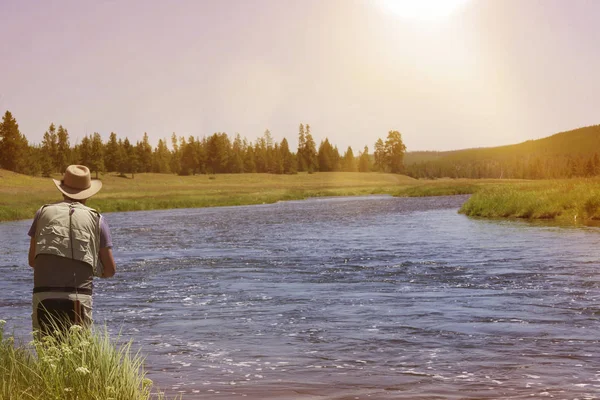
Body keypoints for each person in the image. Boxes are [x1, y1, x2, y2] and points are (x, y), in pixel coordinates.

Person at [27, 165, 116, 334]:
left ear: (63, 189)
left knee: (47, 357)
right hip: (79, 298)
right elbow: (110, 270)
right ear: (88, 193)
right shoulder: (97, 219)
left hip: (43, 297)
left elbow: (33, 261)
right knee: (78, 356)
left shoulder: (42, 213)